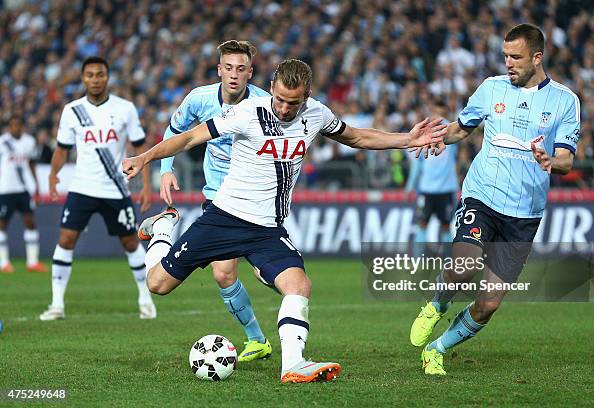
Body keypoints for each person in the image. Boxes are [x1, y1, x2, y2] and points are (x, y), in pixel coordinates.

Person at [122, 59, 446, 383]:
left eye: (293, 103)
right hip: (224, 218)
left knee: (299, 284)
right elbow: (190, 137)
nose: (285, 108)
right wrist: (145, 157)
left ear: (306, 97)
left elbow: (358, 137)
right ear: (272, 86)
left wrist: (408, 139)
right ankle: (163, 230)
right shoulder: (248, 112)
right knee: (158, 285)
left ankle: (292, 364)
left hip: (266, 230)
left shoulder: (317, 114)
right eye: (279, 99)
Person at [409, 23, 581, 375]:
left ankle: (436, 349)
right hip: (482, 195)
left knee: (488, 304)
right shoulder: (491, 89)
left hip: (524, 214)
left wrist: (551, 160)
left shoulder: (565, 101)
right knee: (463, 267)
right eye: (505, 56)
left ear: (537, 57)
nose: (508, 63)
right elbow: (462, 127)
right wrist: (442, 138)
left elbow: (567, 158)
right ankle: (436, 305)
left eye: (516, 57)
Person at [158, 40, 272, 363]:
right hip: (218, 198)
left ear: (250, 72)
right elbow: (174, 130)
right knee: (223, 275)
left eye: (241, 69)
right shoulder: (200, 98)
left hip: (255, 197)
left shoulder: (266, 104)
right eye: (228, 68)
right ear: (219, 69)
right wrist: (166, 169)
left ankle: (288, 332)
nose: (234, 75)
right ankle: (257, 340)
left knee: (270, 276)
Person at [39, 56, 154, 321]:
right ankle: (57, 304)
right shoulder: (72, 110)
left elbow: (140, 149)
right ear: (83, 78)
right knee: (66, 239)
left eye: (100, 74)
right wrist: (53, 175)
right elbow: (62, 149)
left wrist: (146, 185)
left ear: (107, 77)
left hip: (115, 189)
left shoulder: (125, 108)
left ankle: (145, 299)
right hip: (82, 187)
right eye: (90, 75)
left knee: (129, 242)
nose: (95, 79)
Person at [405, 100, 458, 256]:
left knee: (445, 225)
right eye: (436, 113)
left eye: (442, 114)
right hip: (427, 189)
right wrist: (410, 186)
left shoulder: (451, 132)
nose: (439, 117)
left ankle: (448, 261)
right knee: (423, 224)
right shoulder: (424, 134)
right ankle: (417, 261)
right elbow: (417, 164)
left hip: (446, 188)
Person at [0, 115, 47, 273]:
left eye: (18, 125)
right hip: (5, 189)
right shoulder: (2, 142)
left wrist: (37, 186)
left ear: (22, 126)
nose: (16, 128)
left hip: (24, 190)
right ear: (9, 127)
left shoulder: (29, 142)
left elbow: (32, 164)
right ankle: (3, 263)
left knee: (30, 223)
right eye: (12, 125)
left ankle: (32, 262)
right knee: (2, 225)